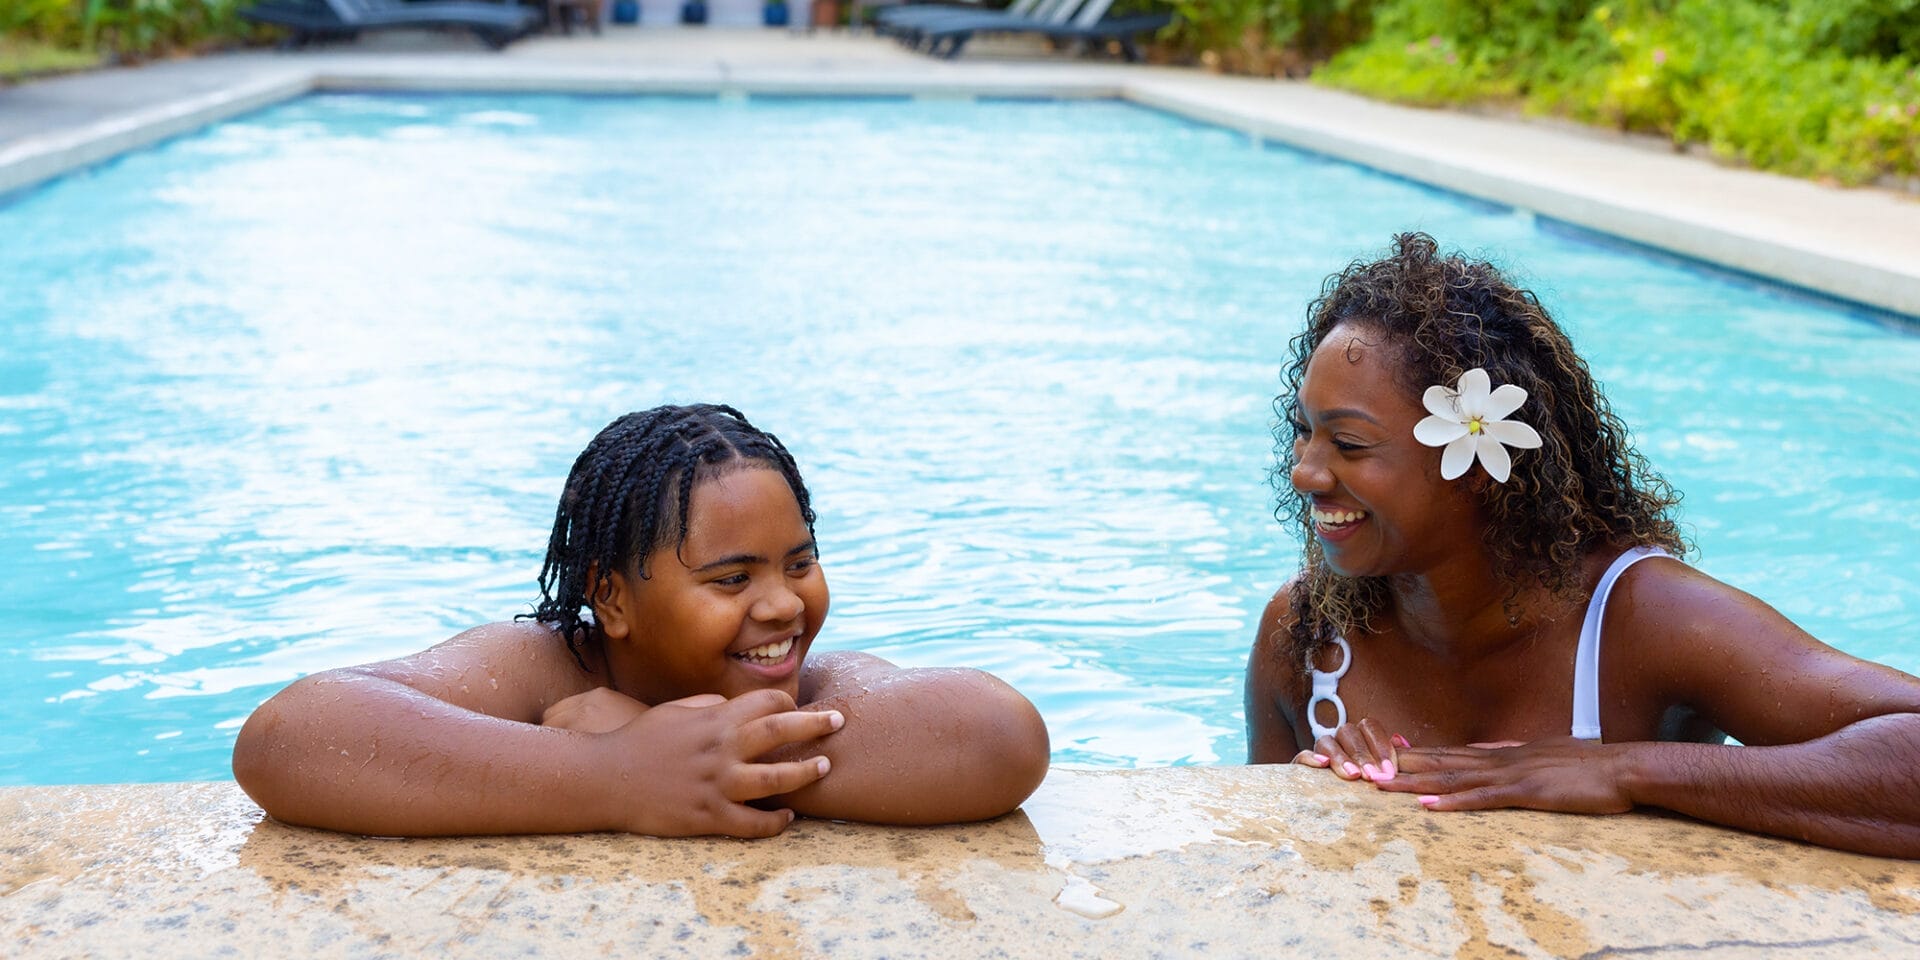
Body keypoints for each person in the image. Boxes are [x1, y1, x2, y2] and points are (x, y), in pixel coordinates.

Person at [1246, 233, 1920, 858]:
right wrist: (1325, 798)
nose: (1305, 470)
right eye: (1303, 429)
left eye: (1350, 444)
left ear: (1478, 465)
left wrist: (1624, 769)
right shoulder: (1308, 636)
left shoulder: (1644, 620)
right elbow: (1263, 877)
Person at [234, 404, 1050, 838]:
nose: (783, 604)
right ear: (612, 598)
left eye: (798, 563)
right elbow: (291, 737)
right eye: (732, 578)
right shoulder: (540, 667)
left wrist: (701, 758)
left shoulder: (817, 686)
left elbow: (999, 738)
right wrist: (615, 776)